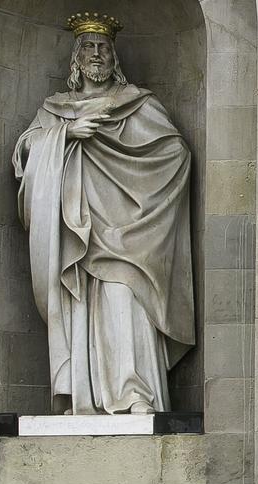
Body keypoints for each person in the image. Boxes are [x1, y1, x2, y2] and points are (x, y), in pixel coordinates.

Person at [13, 13, 195, 414]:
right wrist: (65, 136)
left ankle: (134, 394)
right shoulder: (56, 111)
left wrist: (139, 202)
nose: (97, 55)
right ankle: (86, 397)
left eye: (103, 48)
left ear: (114, 57)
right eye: (89, 48)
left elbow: (175, 154)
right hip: (77, 234)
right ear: (77, 59)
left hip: (129, 235)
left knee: (125, 299)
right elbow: (25, 156)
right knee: (81, 309)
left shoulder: (138, 104)